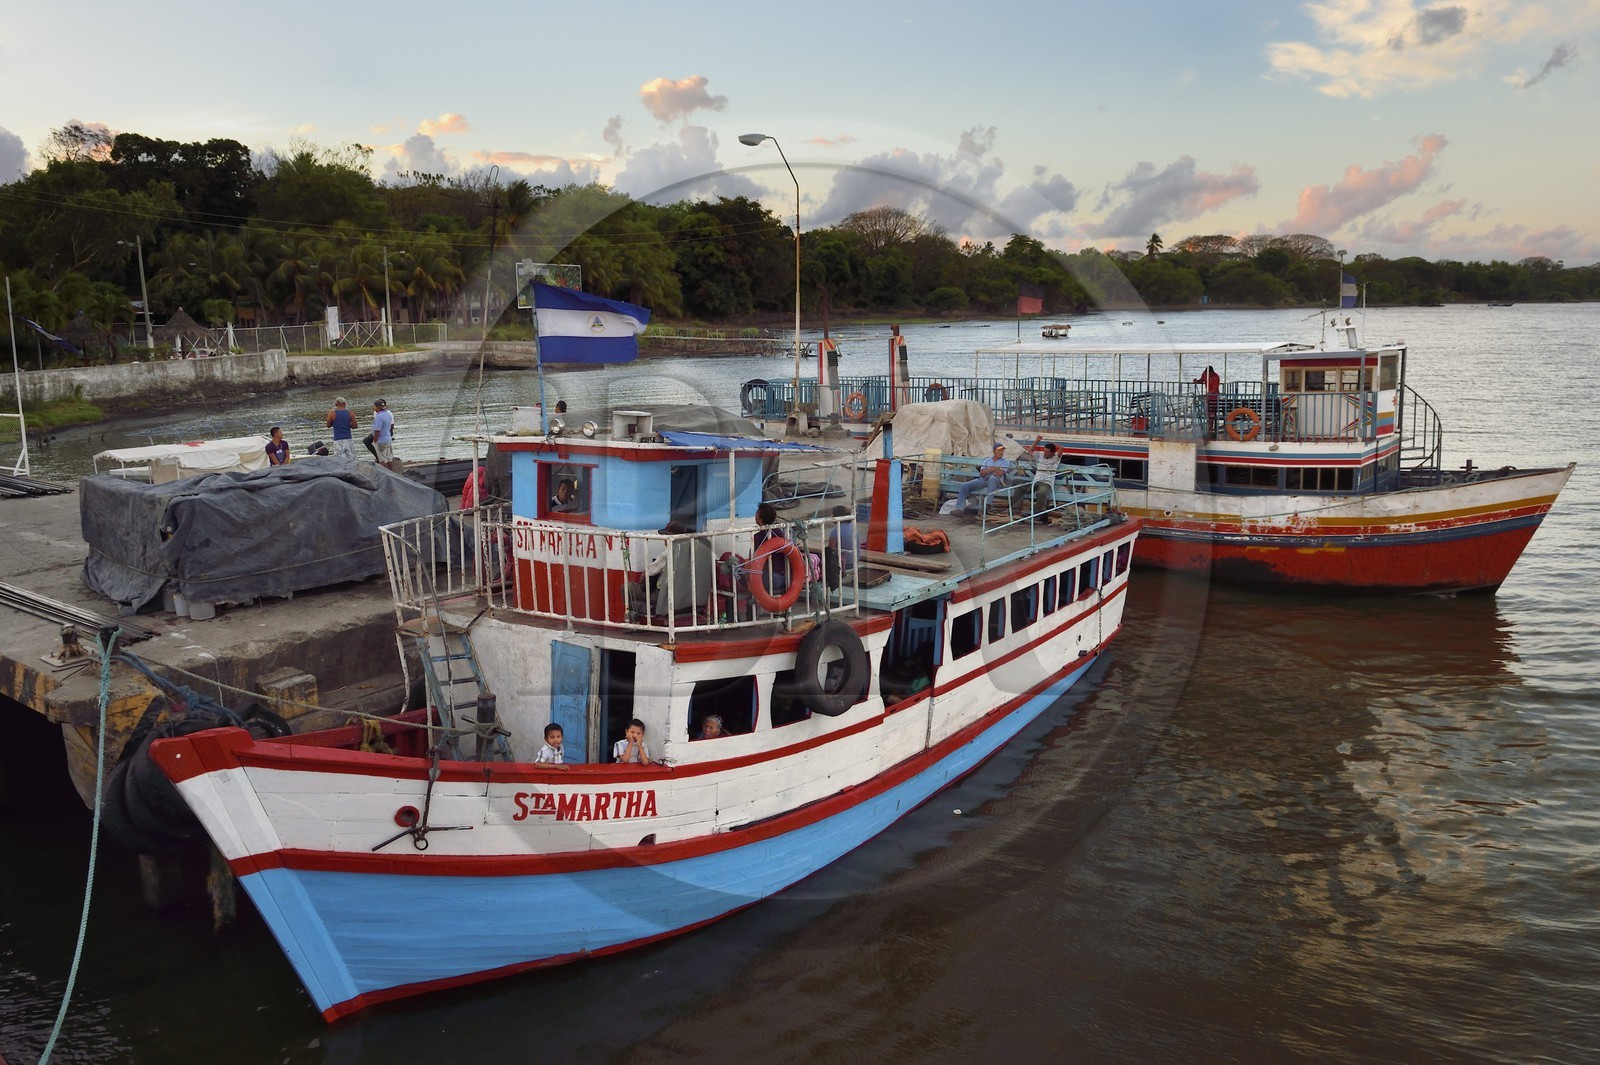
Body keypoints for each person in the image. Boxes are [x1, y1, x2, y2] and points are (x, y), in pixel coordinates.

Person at [953, 443, 1013, 512]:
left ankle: (988, 504)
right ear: (994, 451)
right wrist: (992, 469)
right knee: (964, 486)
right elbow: (982, 473)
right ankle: (959, 509)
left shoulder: (1005, 462)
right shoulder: (987, 460)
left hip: (997, 481)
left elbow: (1000, 473)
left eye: (1002, 450)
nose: (1001, 452)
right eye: (999, 450)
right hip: (984, 479)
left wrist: (988, 471)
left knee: (992, 478)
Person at [1029, 441, 1061, 512]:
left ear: (1052, 453)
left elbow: (1061, 448)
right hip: (1035, 482)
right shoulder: (1039, 456)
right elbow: (1029, 451)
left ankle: (1037, 514)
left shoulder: (1055, 459)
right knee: (1019, 486)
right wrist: (1037, 441)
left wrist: (1052, 444)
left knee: (1041, 493)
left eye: (1047, 452)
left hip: (1046, 483)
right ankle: (1016, 510)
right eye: (1044, 451)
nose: (1045, 454)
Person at [1194, 365, 1222, 436]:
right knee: (1207, 413)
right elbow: (1201, 380)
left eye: (1208, 373)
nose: (1207, 375)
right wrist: (1197, 381)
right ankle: (1208, 428)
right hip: (1208, 397)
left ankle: (1210, 429)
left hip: (1214, 397)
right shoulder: (1204, 374)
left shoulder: (1216, 377)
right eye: (1206, 373)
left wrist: (1208, 394)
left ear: (1212, 372)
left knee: (1212, 413)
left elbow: (1215, 388)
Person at [371, 398, 396, 470]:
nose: (374, 408)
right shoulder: (388, 414)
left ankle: (386, 474)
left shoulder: (379, 416)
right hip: (388, 439)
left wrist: (375, 440)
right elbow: (391, 426)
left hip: (381, 440)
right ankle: (392, 473)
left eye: (375, 406)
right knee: (389, 458)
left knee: (382, 460)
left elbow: (377, 430)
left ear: (378, 407)